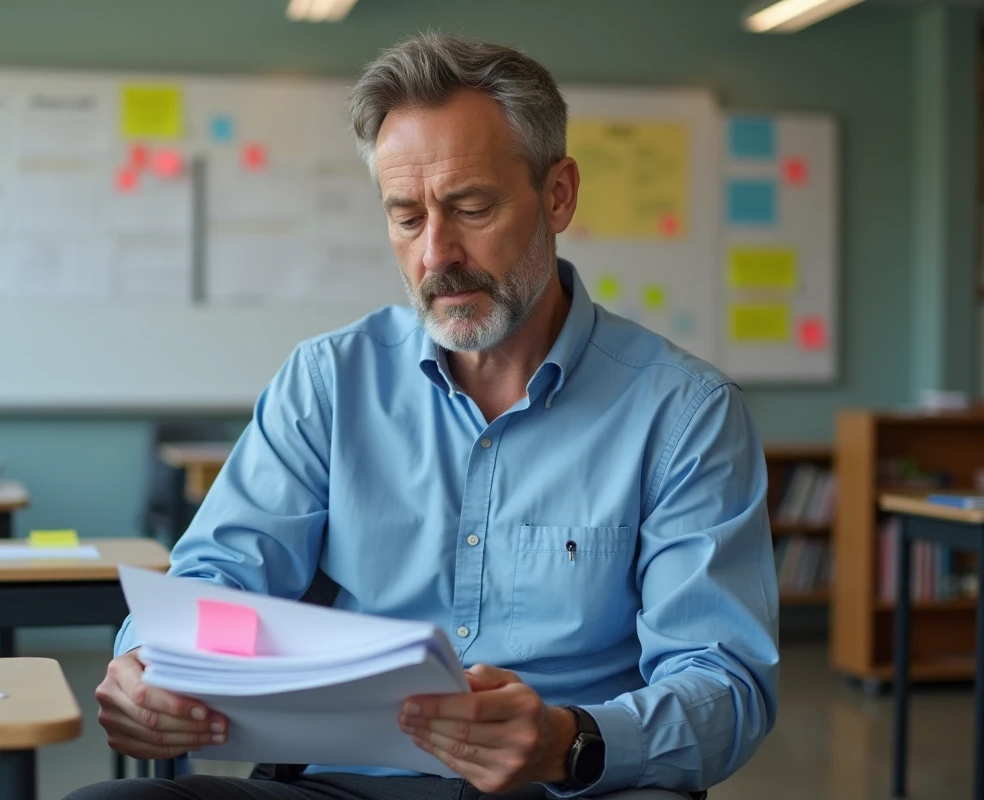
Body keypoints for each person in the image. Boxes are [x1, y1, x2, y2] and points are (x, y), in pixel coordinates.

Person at [68, 33, 778, 800]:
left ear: (558, 194)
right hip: (343, 784)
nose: (437, 253)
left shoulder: (684, 413)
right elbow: (216, 579)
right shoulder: (329, 381)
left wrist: (567, 739)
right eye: (406, 218)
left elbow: (724, 681)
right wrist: (149, 663)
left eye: (471, 207)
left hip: (566, 786)